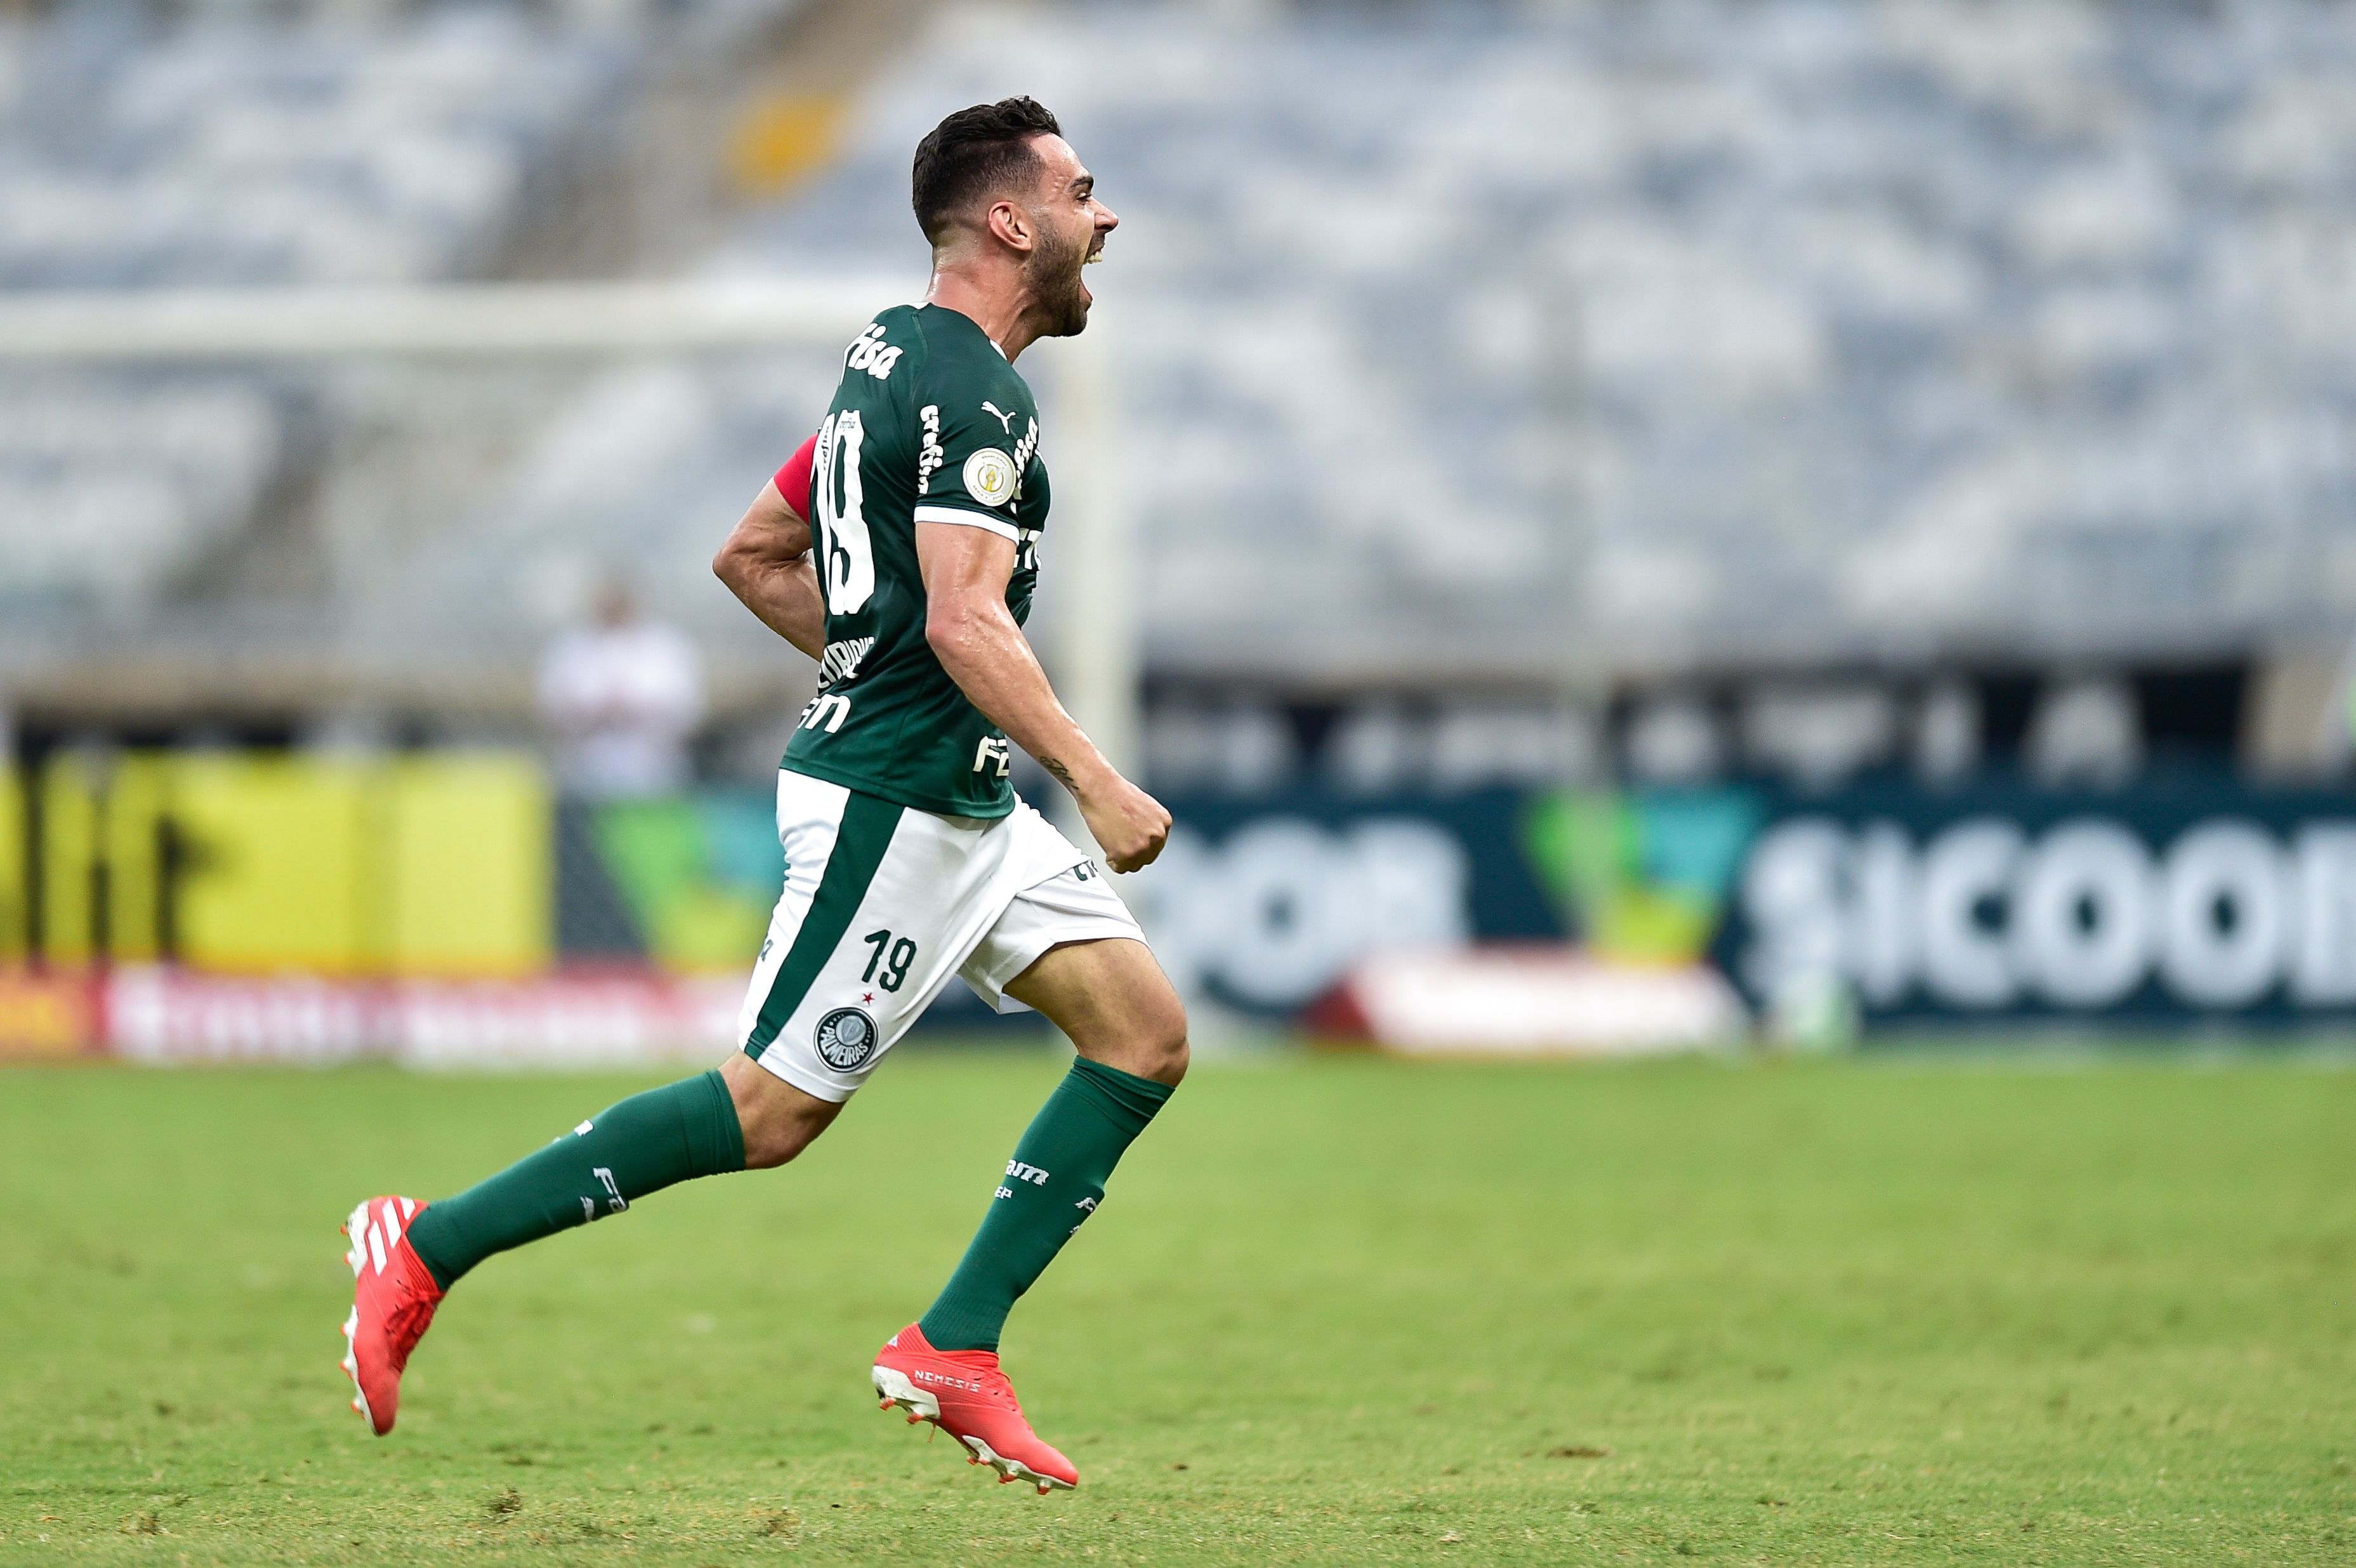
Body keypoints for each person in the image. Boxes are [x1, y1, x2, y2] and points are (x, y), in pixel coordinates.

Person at [340, 98, 1186, 1497]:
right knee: (767, 1113)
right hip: (890, 805)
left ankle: (954, 1344)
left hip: (960, 794)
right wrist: (1094, 780)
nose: (1102, 218)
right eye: (1080, 191)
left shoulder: (885, 357)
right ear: (1007, 220)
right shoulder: (977, 398)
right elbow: (964, 621)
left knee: (1142, 1034)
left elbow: (753, 552)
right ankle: (422, 1242)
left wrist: (879, 666)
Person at [535, 579, 706, 798]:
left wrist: (637, 710)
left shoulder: (666, 646)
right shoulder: (571, 647)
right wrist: (593, 712)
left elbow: (689, 708)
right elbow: (552, 706)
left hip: (654, 772)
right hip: (586, 773)